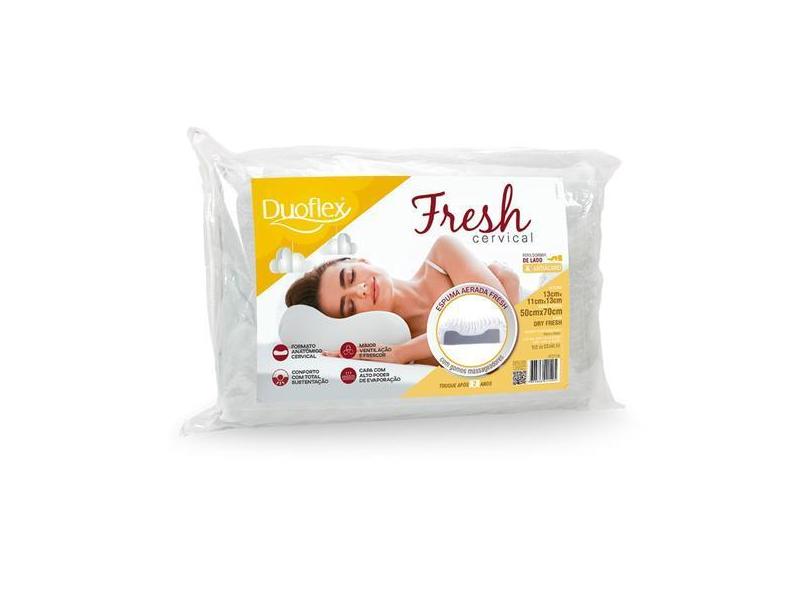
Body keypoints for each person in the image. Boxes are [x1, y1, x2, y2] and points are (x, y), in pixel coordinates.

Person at [285, 235, 520, 364]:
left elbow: (495, 316)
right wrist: (509, 290)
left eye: (351, 276)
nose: (360, 290)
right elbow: (499, 339)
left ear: (361, 260)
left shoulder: (442, 254)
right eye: (350, 306)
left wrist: (402, 353)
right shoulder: (410, 351)